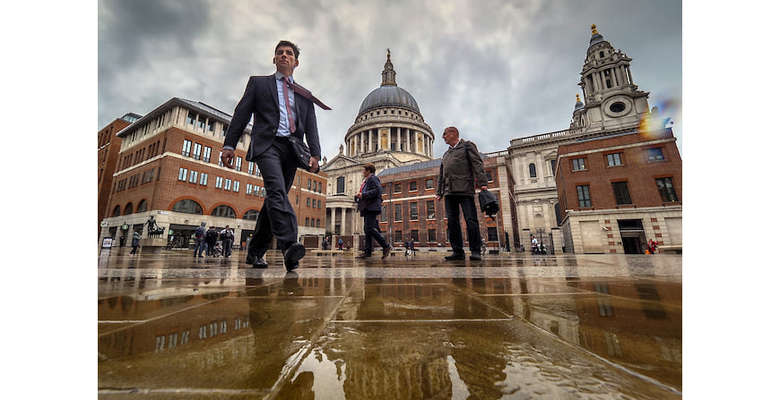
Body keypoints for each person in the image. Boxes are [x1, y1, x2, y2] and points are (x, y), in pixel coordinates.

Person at [221, 40, 329, 271]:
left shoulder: (303, 94)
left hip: (292, 150)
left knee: (273, 199)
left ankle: (255, 253)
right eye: (279, 53)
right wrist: (229, 145)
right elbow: (241, 114)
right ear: (274, 59)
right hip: (267, 145)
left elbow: (311, 126)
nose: (283, 55)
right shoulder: (259, 84)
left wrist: (316, 155)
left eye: (289, 53)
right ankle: (290, 245)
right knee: (277, 190)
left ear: (296, 62)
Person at [435, 126, 489, 261]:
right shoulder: (446, 154)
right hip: (449, 191)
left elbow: (477, 164)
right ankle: (457, 251)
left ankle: (475, 250)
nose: (443, 137)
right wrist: (439, 192)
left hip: (465, 189)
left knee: (471, 220)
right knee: (452, 223)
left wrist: (483, 183)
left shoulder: (467, 146)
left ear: (453, 134)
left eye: (445, 134)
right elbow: (442, 174)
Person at [355, 163, 392, 259]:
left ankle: (385, 246)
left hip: (372, 207)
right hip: (367, 207)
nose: (363, 172)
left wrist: (363, 195)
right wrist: (358, 197)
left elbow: (378, 190)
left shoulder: (373, 178)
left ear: (368, 171)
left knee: (369, 229)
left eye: (364, 170)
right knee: (367, 230)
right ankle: (367, 252)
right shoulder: (366, 181)